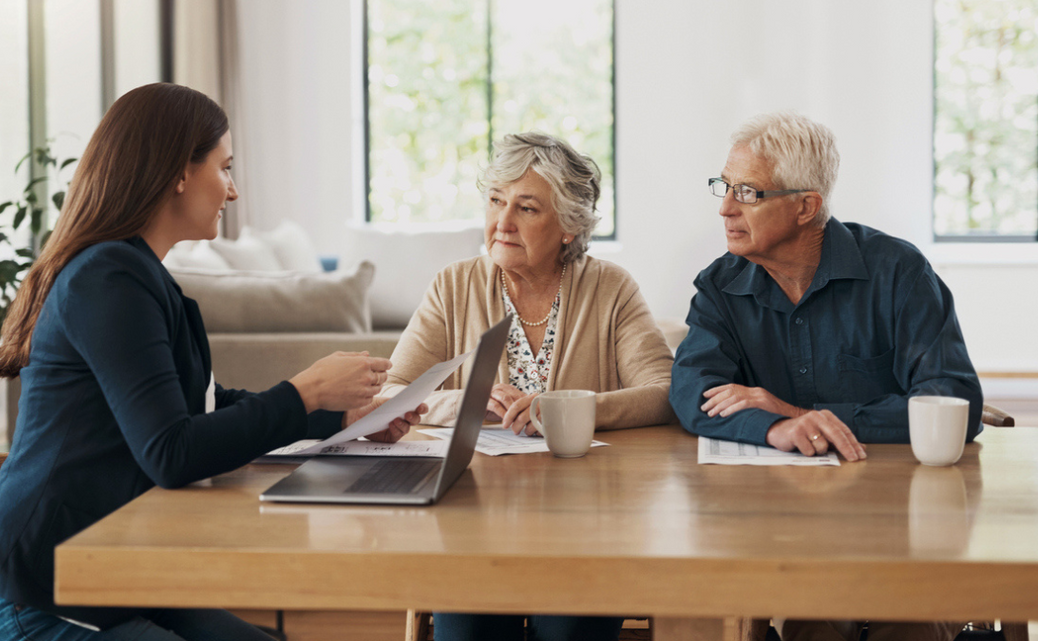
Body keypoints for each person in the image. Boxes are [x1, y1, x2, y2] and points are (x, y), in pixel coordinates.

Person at [0, 83, 425, 641]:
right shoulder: (109, 277)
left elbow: (209, 409)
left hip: (100, 578)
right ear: (179, 172)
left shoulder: (137, 275)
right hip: (26, 597)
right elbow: (170, 452)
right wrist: (305, 390)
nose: (234, 190)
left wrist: (346, 422)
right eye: (225, 166)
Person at [670, 112, 977, 641]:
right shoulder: (721, 286)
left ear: (805, 207)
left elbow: (950, 399)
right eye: (724, 186)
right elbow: (692, 390)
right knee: (810, 623)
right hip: (786, 523)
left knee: (912, 627)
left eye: (748, 192)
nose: (725, 207)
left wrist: (803, 416)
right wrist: (773, 428)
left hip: (904, 515)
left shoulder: (899, 272)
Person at [383, 131, 674, 641]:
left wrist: (564, 409)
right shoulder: (453, 285)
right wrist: (464, 402)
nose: (503, 222)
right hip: (471, 518)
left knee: (568, 629)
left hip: (587, 522)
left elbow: (663, 390)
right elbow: (392, 394)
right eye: (496, 201)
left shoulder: (611, 287)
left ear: (568, 226)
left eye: (527, 208)